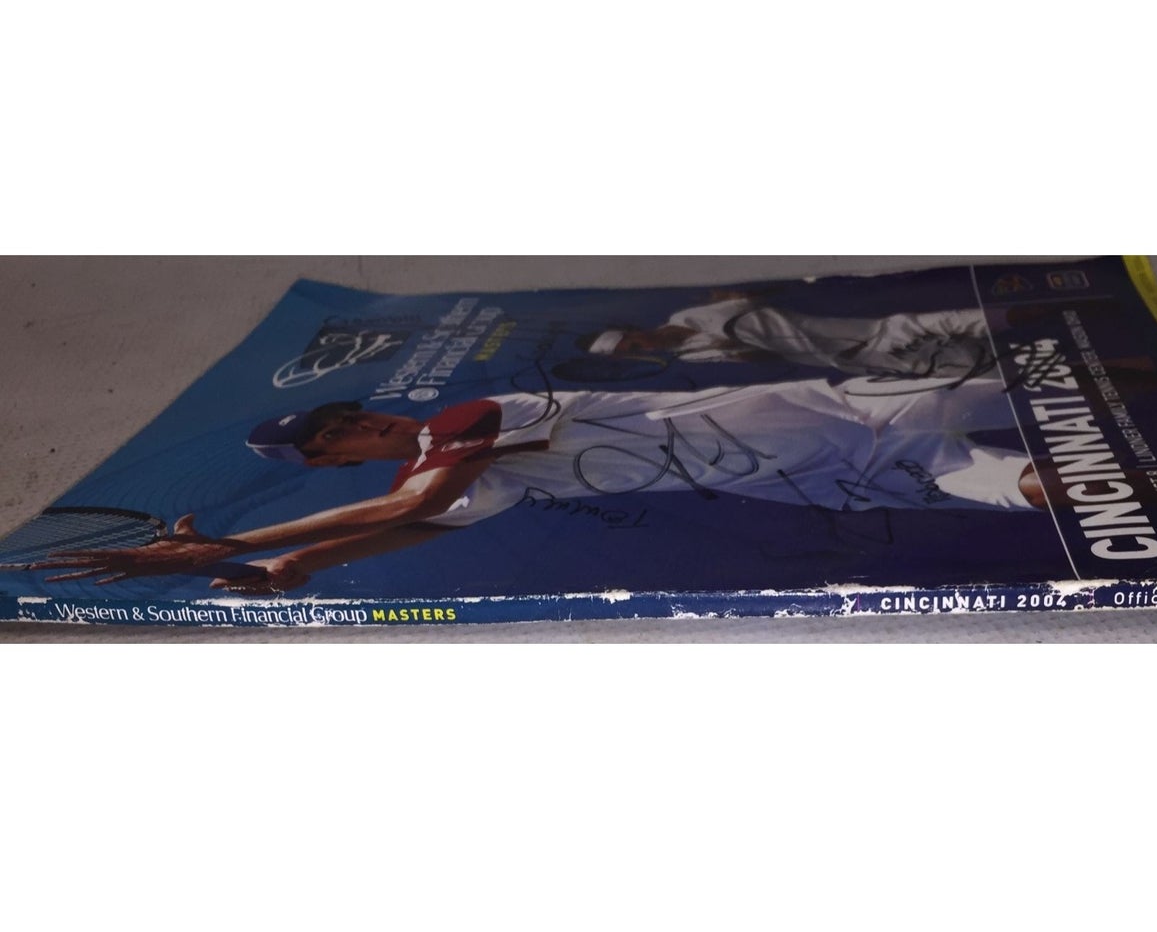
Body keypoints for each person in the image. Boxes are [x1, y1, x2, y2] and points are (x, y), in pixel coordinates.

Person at [42, 378, 1046, 595]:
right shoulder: (447, 472)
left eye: (343, 414)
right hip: (832, 476)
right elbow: (422, 526)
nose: (353, 428)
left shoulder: (465, 419)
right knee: (1046, 484)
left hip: (844, 408)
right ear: (334, 462)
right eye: (332, 439)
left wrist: (236, 544)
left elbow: (413, 507)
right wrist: (296, 563)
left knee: (1065, 383)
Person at [583, 287, 994, 379]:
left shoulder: (691, 315)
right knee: (985, 368)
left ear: (632, 333)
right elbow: (765, 357)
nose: (640, 349)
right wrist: (741, 351)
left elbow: (749, 305)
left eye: (631, 344)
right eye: (630, 354)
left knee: (977, 319)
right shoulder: (691, 356)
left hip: (869, 329)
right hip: (859, 359)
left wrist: (738, 333)